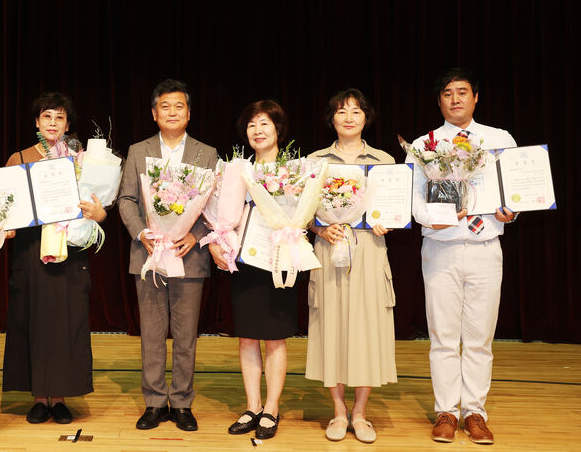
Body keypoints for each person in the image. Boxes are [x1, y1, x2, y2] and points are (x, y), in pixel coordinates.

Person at [410, 68, 517, 445]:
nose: (455, 99)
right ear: (439, 100)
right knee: (442, 336)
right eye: (447, 93)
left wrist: (513, 210)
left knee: (479, 338)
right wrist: (434, 219)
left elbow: (514, 190)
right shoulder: (424, 145)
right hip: (441, 248)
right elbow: (414, 201)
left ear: (476, 97)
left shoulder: (499, 139)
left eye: (462, 91)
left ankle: (474, 412)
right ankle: (446, 411)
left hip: (486, 246)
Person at [118, 79, 218, 431]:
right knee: (152, 334)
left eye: (179, 106)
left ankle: (182, 403)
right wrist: (142, 232)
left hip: (188, 256)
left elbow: (215, 205)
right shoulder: (138, 151)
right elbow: (126, 199)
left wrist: (196, 234)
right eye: (165, 106)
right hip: (149, 255)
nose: (172, 112)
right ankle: (155, 403)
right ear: (153, 113)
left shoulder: (207, 153)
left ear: (189, 113)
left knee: (186, 335)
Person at [2, 92, 106, 425]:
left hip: (69, 252)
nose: (52, 123)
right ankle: (38, 397)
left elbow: (99, 205)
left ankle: (60, 397)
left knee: (66, 324)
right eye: (47, 116)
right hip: (31, 252)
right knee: (32, 321)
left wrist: (99, 213)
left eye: (59, 117)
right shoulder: (19, 158)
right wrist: (6, 226)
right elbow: (4, 208)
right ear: (36, 122)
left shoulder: (82, 160)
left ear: (67, 124)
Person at [305, 89, 397, 444]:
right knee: (331, 327)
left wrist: (387, 221)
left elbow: (393, 207)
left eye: (356, 111)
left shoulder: (384, 160)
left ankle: (359, 412)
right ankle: (338, 411)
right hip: (329, 250)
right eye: (341, 111)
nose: (348, 117)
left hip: (369, 250)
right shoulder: (315, 161)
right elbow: (301, 212)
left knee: (366, 329)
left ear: (366, 118)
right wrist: (319, 228)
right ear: (332, 118)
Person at [208, 100, 298, 440]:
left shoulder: (293, 170)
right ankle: (252, 406)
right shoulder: (236, 171)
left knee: (274, 338)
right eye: (251, 125)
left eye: (264, 124)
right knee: (247, 336)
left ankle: (271, 408)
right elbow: (221, 216)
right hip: (245, 260)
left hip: (277, 260)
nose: (258, 131)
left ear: (278, 129)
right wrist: (217, 240)